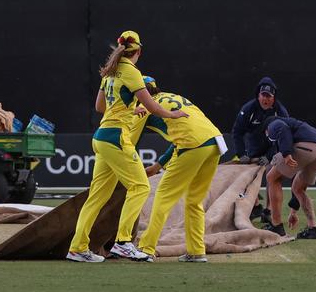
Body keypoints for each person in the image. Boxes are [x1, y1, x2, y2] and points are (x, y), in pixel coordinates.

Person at [66, 31, 189, 263]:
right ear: (139, 52)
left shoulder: (109, 73)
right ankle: (123, 242)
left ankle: (77, 247)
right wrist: (174, 114)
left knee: (97, 197)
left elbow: (100, 107)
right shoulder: (132, 73)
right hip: (115, 137)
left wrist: (130, 109)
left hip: (101, 136)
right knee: (141, 186)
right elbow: (153, 106)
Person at [130, 76, 227, 263]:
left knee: (163, 196)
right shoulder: (173, 96)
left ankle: (146, 248)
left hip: (192, 144)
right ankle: (197, 251)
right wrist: (159, 165)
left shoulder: (145, 107)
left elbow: (129, 142)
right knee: (194, 200)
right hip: (215, 142)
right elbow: (185, 132)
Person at [230, 77, 289, 220]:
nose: (265, 99)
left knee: (271, 176)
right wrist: (241, 154)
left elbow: (285, 135)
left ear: (273, 98)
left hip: (273, 148)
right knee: (246, 176)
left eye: (269, 96)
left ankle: (269, 211)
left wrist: (270, 156)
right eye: (263, 95)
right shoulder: (248, 109)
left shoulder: (280, 111)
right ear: (258, 95)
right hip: (253, 148)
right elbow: (237, 132)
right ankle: (256, 206)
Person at [261, 116, 316, 239]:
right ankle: (313, 229)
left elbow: (282, 128)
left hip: (304, 147)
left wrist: (286, 153)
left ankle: (276, 226)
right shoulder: (301, 126)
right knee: (298, 188)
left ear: (266, 129)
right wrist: (293, 212)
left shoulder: (273, 123)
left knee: (272, 178)